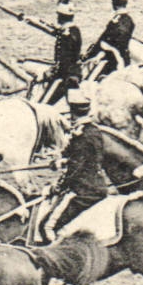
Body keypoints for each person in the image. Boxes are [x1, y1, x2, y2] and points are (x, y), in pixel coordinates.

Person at [40, 90, 114, 242]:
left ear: (72, 114)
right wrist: (61, 161)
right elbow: (88, 158)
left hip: (83, 190)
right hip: (96, 184)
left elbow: (76, 168)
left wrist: (59, 187)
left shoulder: (82, 135)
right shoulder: (94, 131)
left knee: (47, 227)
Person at [85, 0, 135, 73]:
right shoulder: (127, 20)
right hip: (119, 59)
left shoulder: (119, 22)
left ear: (114, 3)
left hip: (113, 63)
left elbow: (115, 45)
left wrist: (98, 55)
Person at [44, 0, 84, 101]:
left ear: (61, 17)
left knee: (46, 101)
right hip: (70, 72)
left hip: (66, 76)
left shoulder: (67, 34)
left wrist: (51, 73)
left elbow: (64, 61)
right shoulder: (73, 30)